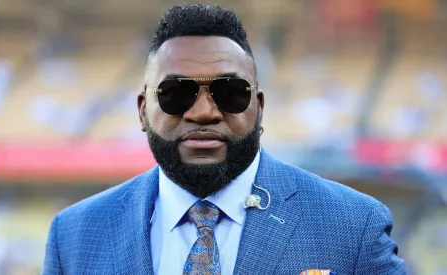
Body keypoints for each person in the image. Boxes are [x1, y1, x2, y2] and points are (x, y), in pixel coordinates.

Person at [42, 4, 406, 275]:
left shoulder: (352, 227)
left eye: (230, 92)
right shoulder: (73, 237)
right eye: (175, 93)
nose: (203, 112)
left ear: (259, 107)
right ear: (142, 110)